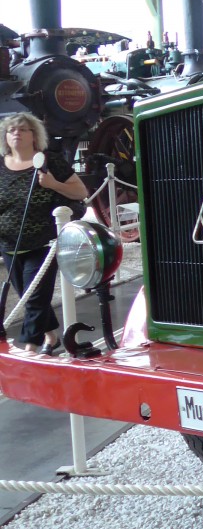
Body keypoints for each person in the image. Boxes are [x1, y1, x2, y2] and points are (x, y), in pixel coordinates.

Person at [0, 113, 88, 355]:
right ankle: (51, 336)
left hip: (44, 243)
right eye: (11, 130)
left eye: (23, 129)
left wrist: (53, 184)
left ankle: (30, 349)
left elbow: (81, 191)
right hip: (9, 244)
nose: (16, 133)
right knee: (27, 295)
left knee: (36, 296)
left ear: (34, 136)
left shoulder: (50, 162)